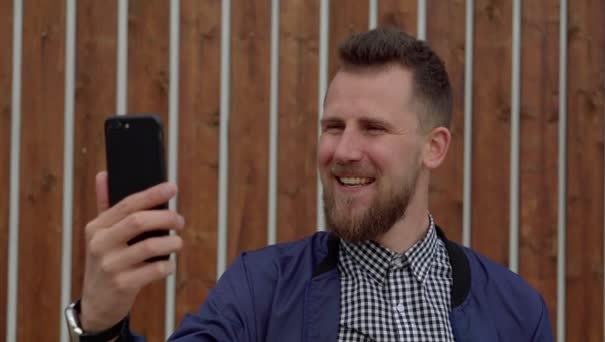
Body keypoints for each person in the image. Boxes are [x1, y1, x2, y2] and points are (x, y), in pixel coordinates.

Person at [64, 27, 553, 341]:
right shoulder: (260, 290)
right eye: (333, 126)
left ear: (434, 147)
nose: (343, 151)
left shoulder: (516, 314)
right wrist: (100, 325)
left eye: (374, 128)